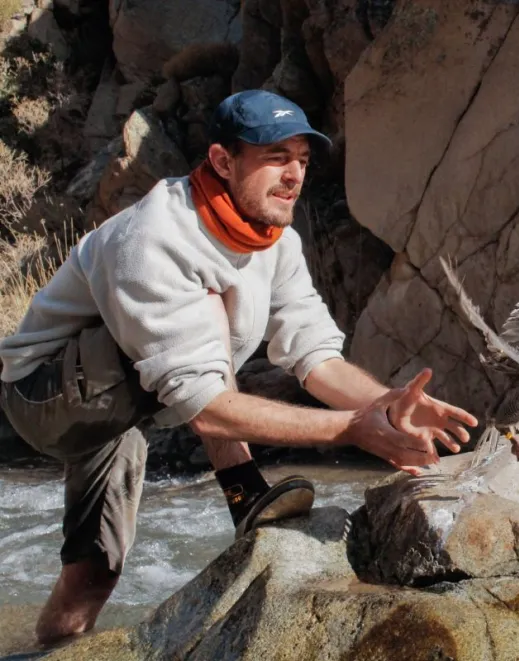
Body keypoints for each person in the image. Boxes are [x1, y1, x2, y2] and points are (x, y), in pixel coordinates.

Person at [0, 89, 478, 647]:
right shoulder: (155, 237)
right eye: (275, 157)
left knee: (94, 574)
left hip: (122, 407)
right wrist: (350, 429)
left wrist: (386, 406)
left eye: (301, 159)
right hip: (43, 393)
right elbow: (204, 409)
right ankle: (243, 491)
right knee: (211, 303)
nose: (294, 174)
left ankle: (48, 651)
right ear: (223, 162)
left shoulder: (278, 243)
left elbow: (315, 357)